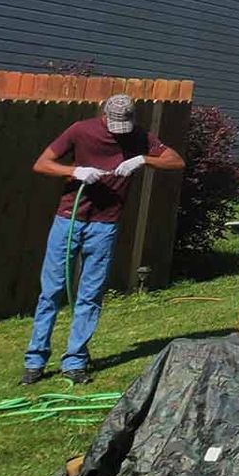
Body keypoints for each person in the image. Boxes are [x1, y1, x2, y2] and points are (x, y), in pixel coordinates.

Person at [23, 93, 185, 383]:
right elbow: (42, 164)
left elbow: (176, 161)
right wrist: (75, 170)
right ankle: (35, 361)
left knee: (90, 294)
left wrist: (143, 160)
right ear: (103, 116)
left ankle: (75, 361)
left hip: (105, 225)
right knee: (52, 290)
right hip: (68, 219)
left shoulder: (139, 137)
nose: (117, 131)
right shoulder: (80, 130)